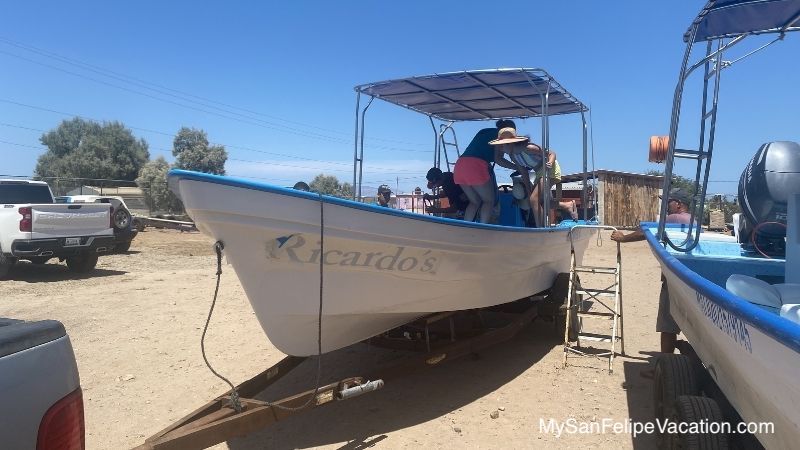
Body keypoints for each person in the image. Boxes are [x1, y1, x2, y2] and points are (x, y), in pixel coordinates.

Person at [610, 187, 692, 378]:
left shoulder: (675, 219)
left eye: (669, 201)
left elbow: (647, 231)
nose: (666, 205)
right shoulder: (694, 222)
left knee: (667, 325)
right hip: (687, 279)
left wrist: (622, 238)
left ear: (678, 204)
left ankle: (664, 371)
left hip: (673, 280)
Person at [489, 127, 578, 225]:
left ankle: (541, 228)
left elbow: (551, 153)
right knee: (540, 202)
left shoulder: (528, 148)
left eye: (501, 146)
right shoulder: (513, 156)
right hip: (539, 173)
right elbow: (524, 172)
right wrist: (528, 190)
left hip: (549, 170)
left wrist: (550, 163)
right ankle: (567, 205)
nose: (500, 149)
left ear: (510, 143)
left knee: (534, 200)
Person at [452, 120, 519, 223]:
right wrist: (518, 168)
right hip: (475, 166)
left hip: (460, 165)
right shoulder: (500, 136)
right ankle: (483, 227)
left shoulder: (484, 131)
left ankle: (466, 227)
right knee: (488, 201)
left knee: (474, 201)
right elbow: (499, 160)